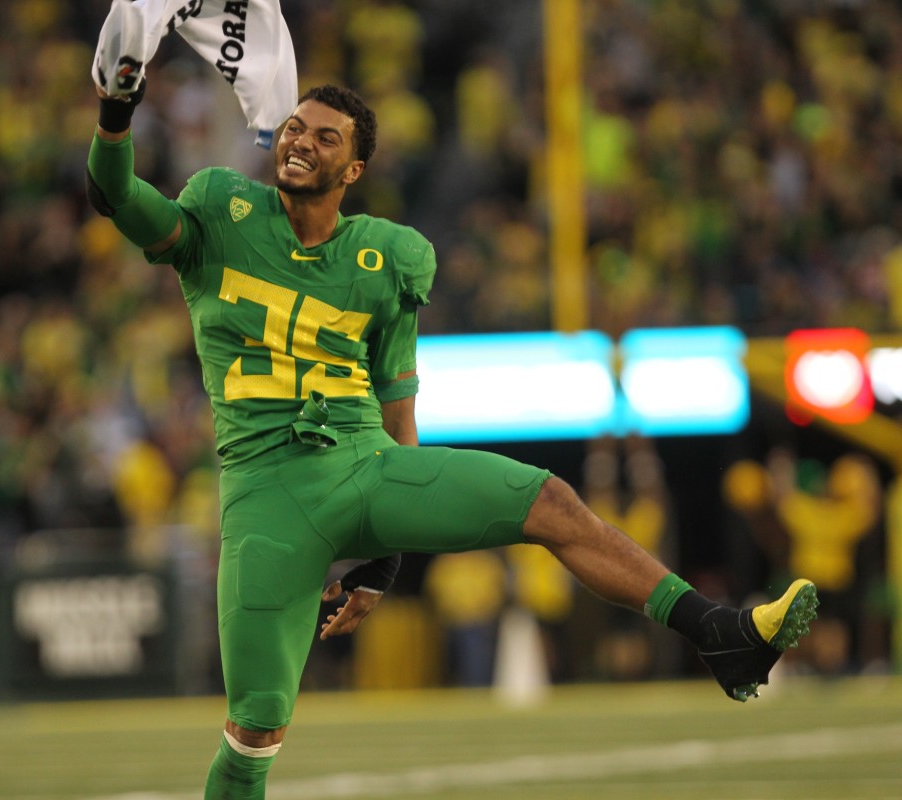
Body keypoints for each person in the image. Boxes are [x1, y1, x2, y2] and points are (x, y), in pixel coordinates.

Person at [84, 80, 818, 800]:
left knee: (550, 501)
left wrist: (385, 556)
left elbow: (399, 408)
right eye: (296, 127)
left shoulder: (385, 256)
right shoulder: (220, 213)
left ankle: (721, 633)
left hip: (367, 466)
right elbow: (117, 195)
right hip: (266, 496)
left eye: (325, 136)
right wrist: (116, 112)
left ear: (355, 169)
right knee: (253, 738)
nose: (301, 141)